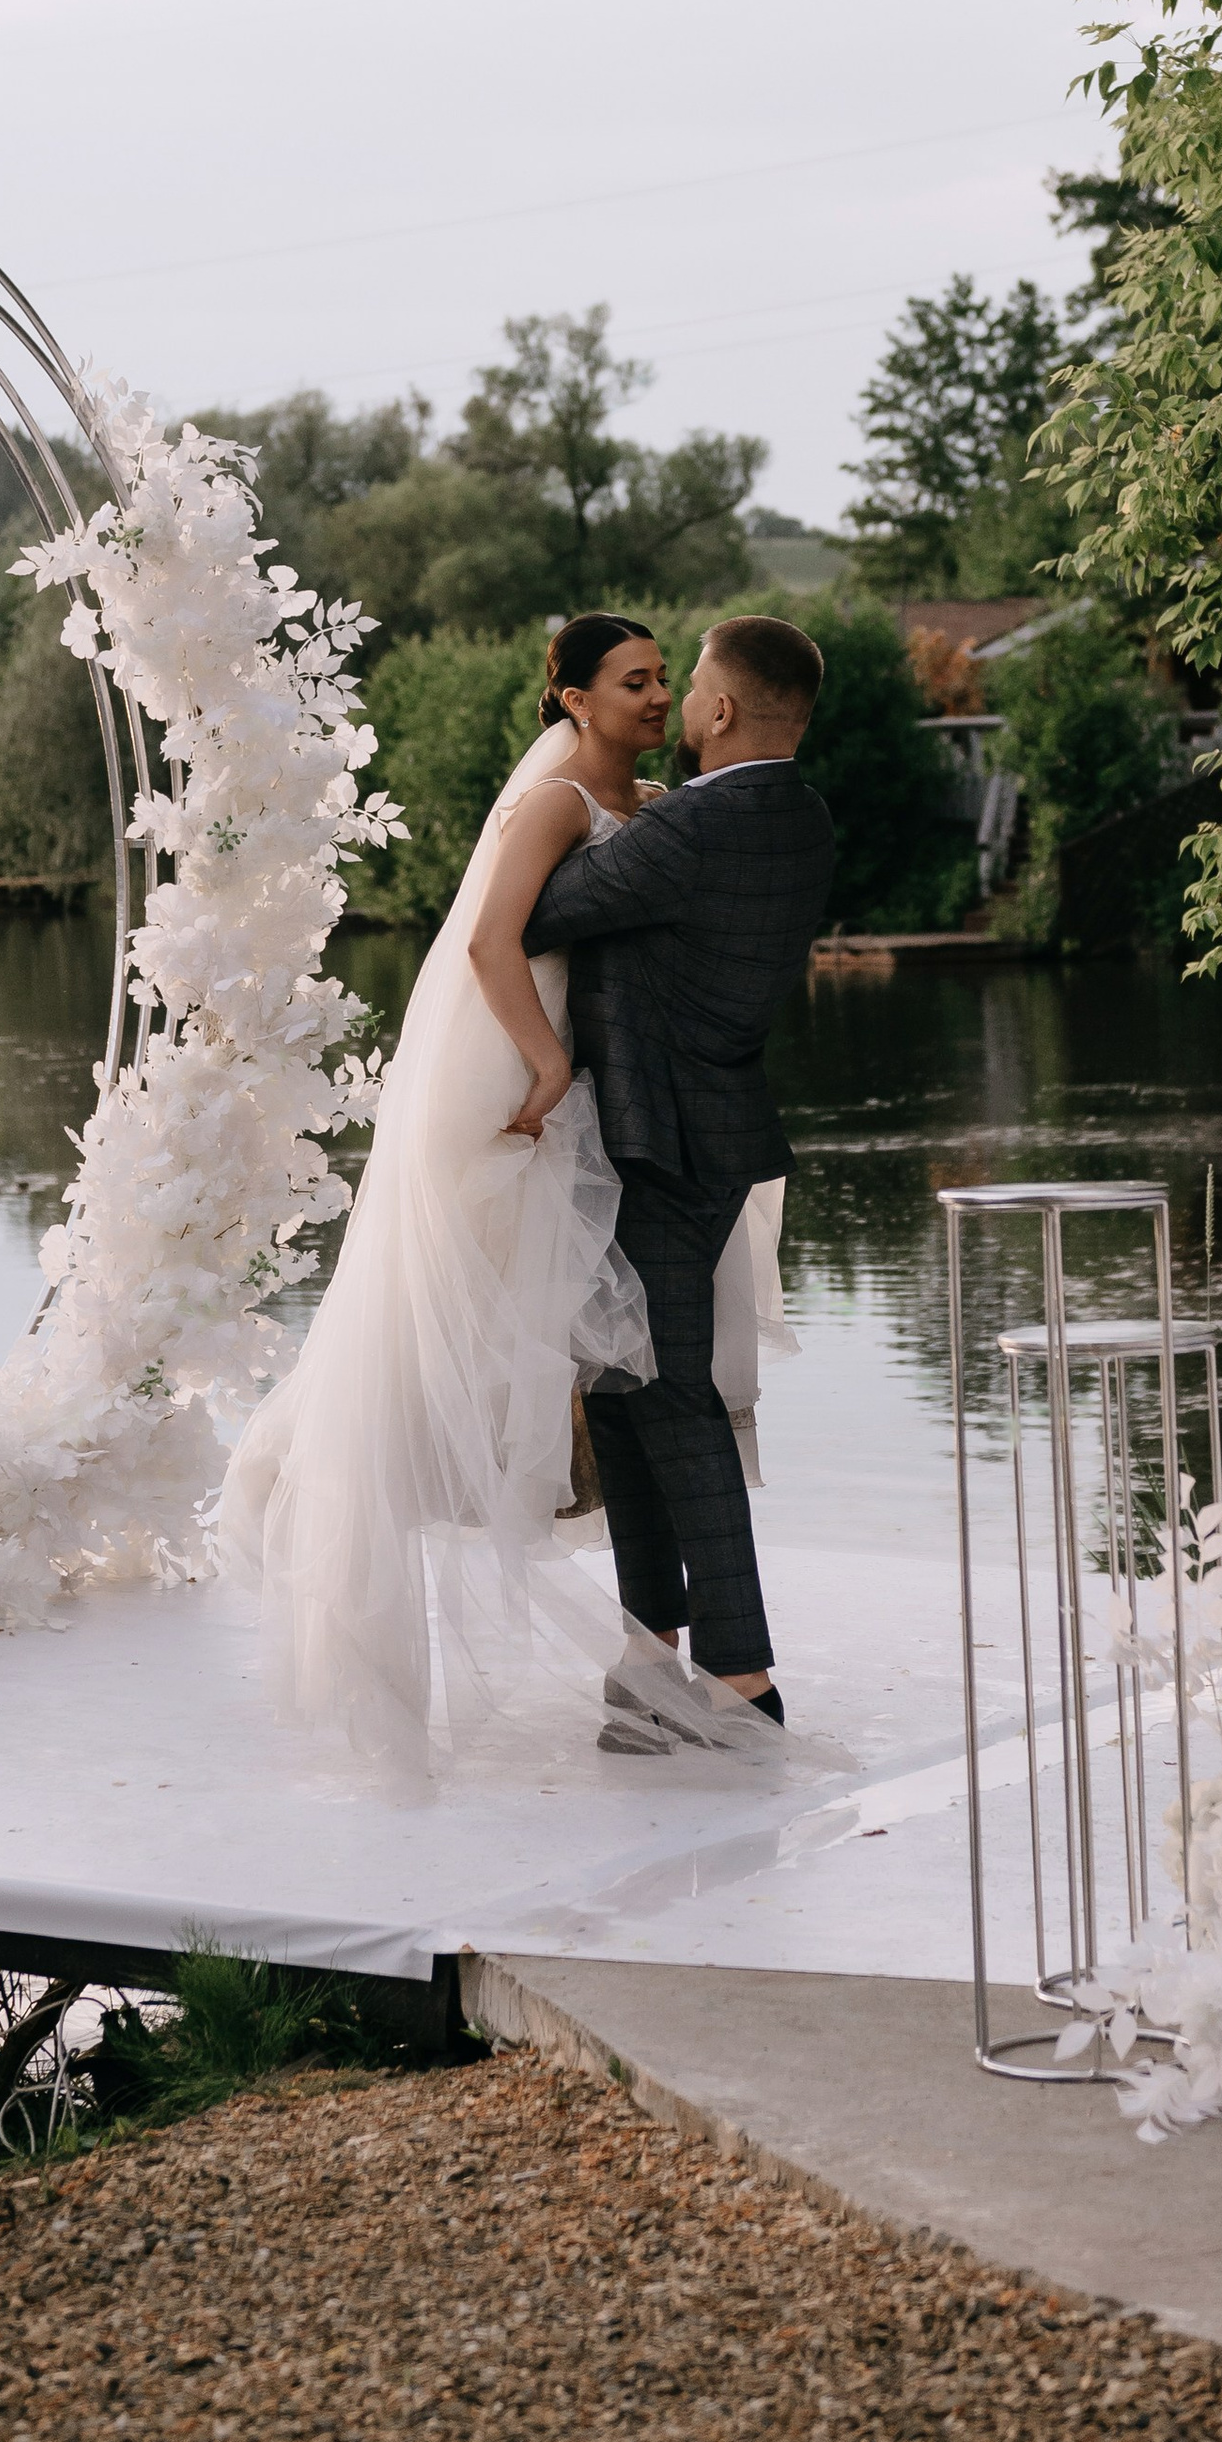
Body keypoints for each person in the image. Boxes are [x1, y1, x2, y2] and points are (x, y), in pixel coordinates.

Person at [219, 612, 772, 1772]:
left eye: (664, 677)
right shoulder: (559, 800)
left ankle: (646, 1652)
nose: (653, 694)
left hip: (610, 1104)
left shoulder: (654, 802)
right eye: (630, 680)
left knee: (613, 1362)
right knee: (504, 1339)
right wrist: (551, 1061)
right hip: (528, 1084)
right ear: (571, 697)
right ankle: (342, 1489)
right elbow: (487, 942)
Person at [522, 616, 833, 1749]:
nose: (676, 700)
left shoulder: (694, 822)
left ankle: (740, 1675)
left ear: (720, 711)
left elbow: (542, 912)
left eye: (688, 683)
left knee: (666, 1389)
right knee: (618, 1377)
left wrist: (578, 804)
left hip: (660, 1144)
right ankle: (650, 1651)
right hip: (702, 1131)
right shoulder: (800, 815)